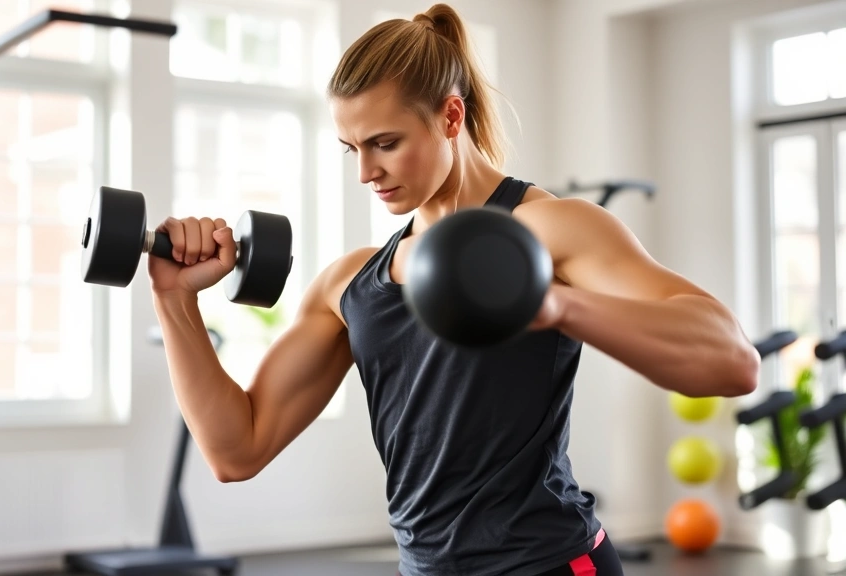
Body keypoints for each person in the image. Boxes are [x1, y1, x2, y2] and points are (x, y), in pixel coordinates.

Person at [148, 4, 760, 575]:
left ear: (450, 116)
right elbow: (237, 450)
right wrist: (176, 301)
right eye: (352, 149)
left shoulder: (543, 230)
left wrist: (555, 304)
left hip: (549, 565)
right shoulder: (351, 283)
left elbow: (732, 361)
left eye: (386, 143)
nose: (366, 172)